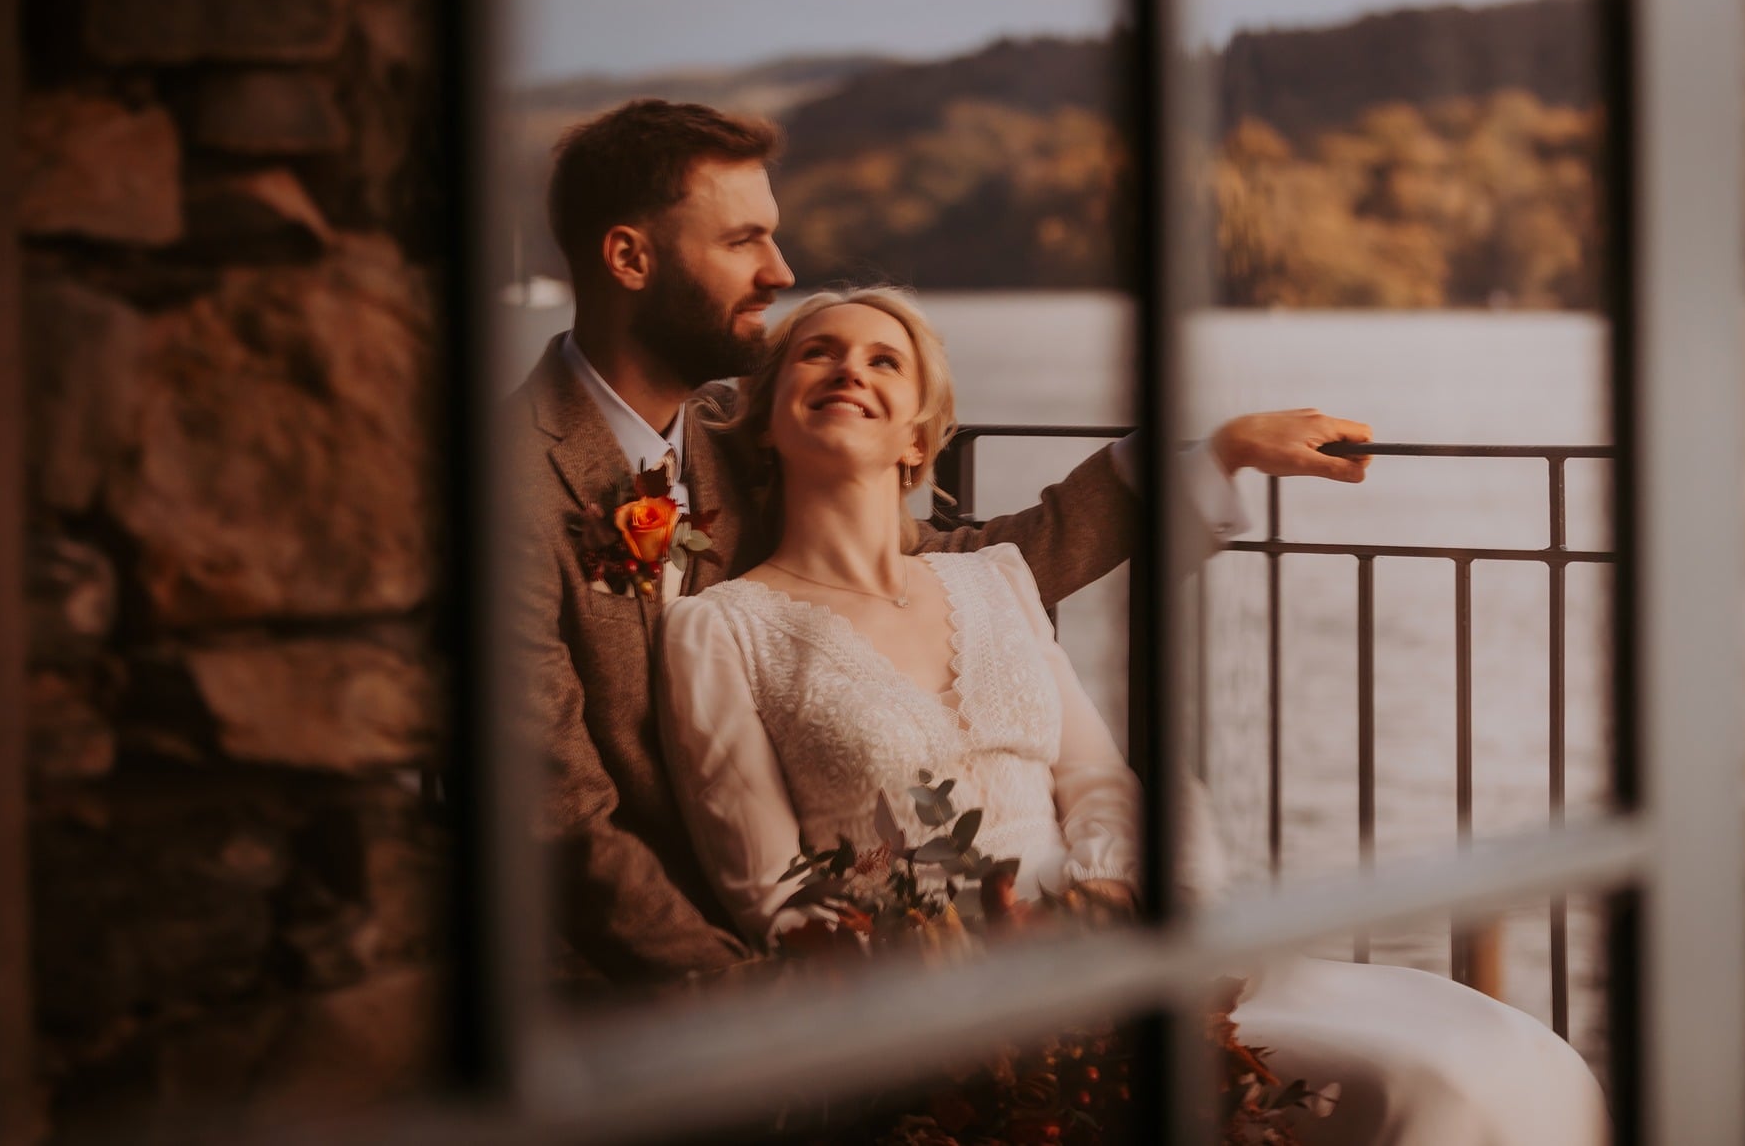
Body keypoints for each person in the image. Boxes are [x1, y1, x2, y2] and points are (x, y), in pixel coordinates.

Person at [657, 287, 1611, 1146]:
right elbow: (775, 895)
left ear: (918, 437)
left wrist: (1112, 904)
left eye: (883, 360)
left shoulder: (991, 581)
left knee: (1518, 1063)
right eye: (818, 353)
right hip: (932, 1011)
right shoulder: (722, 629)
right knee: (1420, 1089)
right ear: (767, 424)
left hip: (1125, 960)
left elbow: (1098, 780)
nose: (848, 371)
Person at [510, 97, 1373, 986]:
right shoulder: (502, 493)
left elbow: (969, 571)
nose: (781, 269)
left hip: (949, 968)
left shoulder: (733, 430)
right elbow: (556, 819)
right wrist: (766, 1011)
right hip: (653, 987)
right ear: (628, 258)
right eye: (744, 241)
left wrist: (1214, 455)